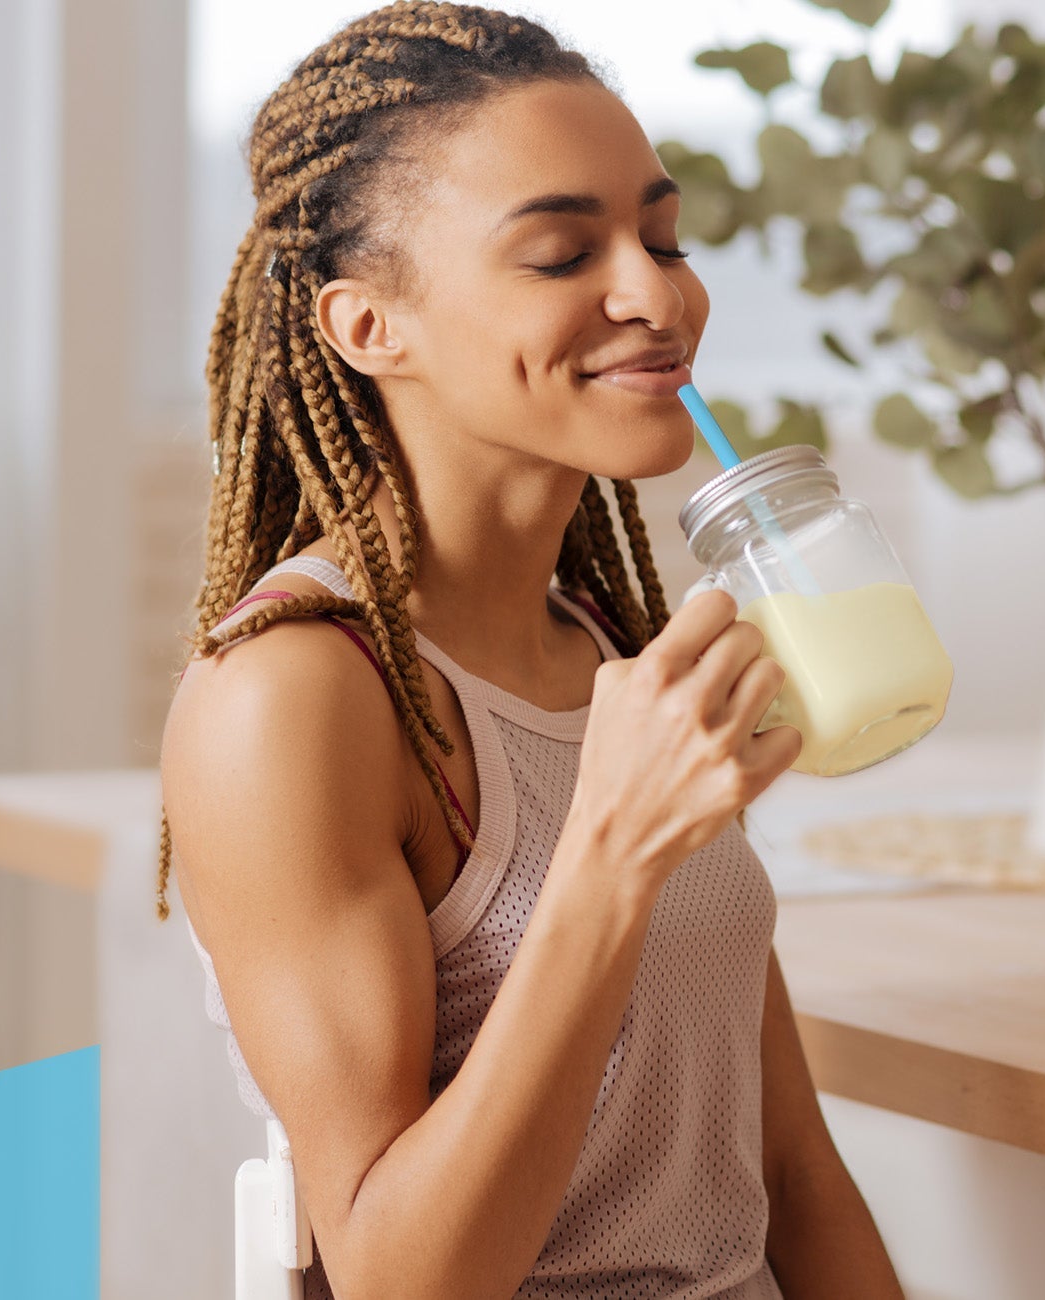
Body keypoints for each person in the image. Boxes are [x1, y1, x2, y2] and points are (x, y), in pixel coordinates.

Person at [157, 5, 904, 1296]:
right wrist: (610, 851)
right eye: (564, 253)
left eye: (662, 237)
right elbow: (399, 1279)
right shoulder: (290, 698)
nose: (657, 294)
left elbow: (789, 1177)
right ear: (365, 326)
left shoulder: (611, 649)